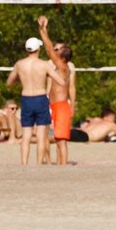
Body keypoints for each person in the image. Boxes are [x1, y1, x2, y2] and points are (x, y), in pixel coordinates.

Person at [7, 37, 64, 165]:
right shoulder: (44, 65)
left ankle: (24, 163)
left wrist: (20, 79)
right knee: (41, 135)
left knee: (26, 135)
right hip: (40, 98)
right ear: (38, 49)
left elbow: (9, 82)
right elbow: (60, 81)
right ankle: (38, 164)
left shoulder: (19, 64)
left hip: (26, 98)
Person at [37, 16, 76, 165]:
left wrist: (43, 30)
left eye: (58, 50)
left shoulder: (62, 66)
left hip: (61, 106)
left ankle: (63, 166)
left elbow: (48, 47)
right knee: (55, 138)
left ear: (63, 55)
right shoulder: (60, 66)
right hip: (54, 105)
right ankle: (59, 165)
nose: (55, 50)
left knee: (61, 141)